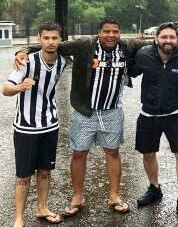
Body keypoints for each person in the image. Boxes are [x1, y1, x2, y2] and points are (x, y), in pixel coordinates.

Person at [15, 17, 151, 216]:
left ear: (119, 33)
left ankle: (114, 196)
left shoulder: (127, 45)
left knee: (112, 152)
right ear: (99, 32)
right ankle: (78, 196)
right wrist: (24, 51)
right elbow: (54, 46)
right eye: (106, 31)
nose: (111, 35)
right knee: (79, 153)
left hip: (112, 110)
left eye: (115, 31)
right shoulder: (84, 45)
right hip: (84, 111)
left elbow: (157, 43)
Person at [129, 22, 178, 221]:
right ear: (156, 39)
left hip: (176, 113)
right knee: (148, 154)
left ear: (177, 39)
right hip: (149, 113)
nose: (168, 41)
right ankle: (154, 188)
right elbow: (130, 68)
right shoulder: (144, 55)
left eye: (172, 37)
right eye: (164, 37)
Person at [3, 22, 66, 227]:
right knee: (23, 174)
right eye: (46, 38)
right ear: (39, 39)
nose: (50, 42)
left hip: (50, 125)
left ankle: (42, 208)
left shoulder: (64, 60)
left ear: (60, 40)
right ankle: (19, 217)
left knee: (45, 170)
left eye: (54, 38)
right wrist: (21, 86)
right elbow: (5, 89)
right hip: (26, 128)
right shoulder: (26, 62)